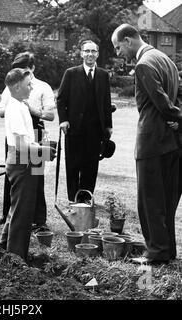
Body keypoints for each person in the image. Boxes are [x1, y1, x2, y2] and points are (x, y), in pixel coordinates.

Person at [111, 24, 181, 264]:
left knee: (149, 200)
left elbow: (161, 103)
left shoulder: (143, 64)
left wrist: (176, 117)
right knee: (167, 200)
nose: (118, 52)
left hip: (151, 143)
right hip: (172, 143)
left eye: (118, 46)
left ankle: (156, 252)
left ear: (129, 40)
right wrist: (176, 121)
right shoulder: (165, 59)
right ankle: (168, 250)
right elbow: (177, 96)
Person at [0, 68, 56, 261]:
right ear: (16, 86)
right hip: (21, 161)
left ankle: (4, 245)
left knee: (18, 207)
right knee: (23, 213)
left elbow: (27, 142)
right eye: (27, 84)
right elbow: (21, 146)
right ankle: (16, 256)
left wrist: (40, 146)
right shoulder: (14, 109)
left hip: (25, 159)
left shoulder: (21, 105)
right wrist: (42, 151)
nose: (31, 87)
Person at [56, 40, 113, 203]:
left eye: (93, 51)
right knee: (73, 165)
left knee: (91, 165)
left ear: (97, 54)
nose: (90, 54)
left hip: (96, 129)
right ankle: (74, 199)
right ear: (81, 53)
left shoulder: (103, 75)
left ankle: (86, 197)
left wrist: (108, 125)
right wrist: (63, 120)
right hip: (74, 128)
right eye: (87, 51)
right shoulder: (71, 73)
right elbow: (61, 100)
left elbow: (106, 102)